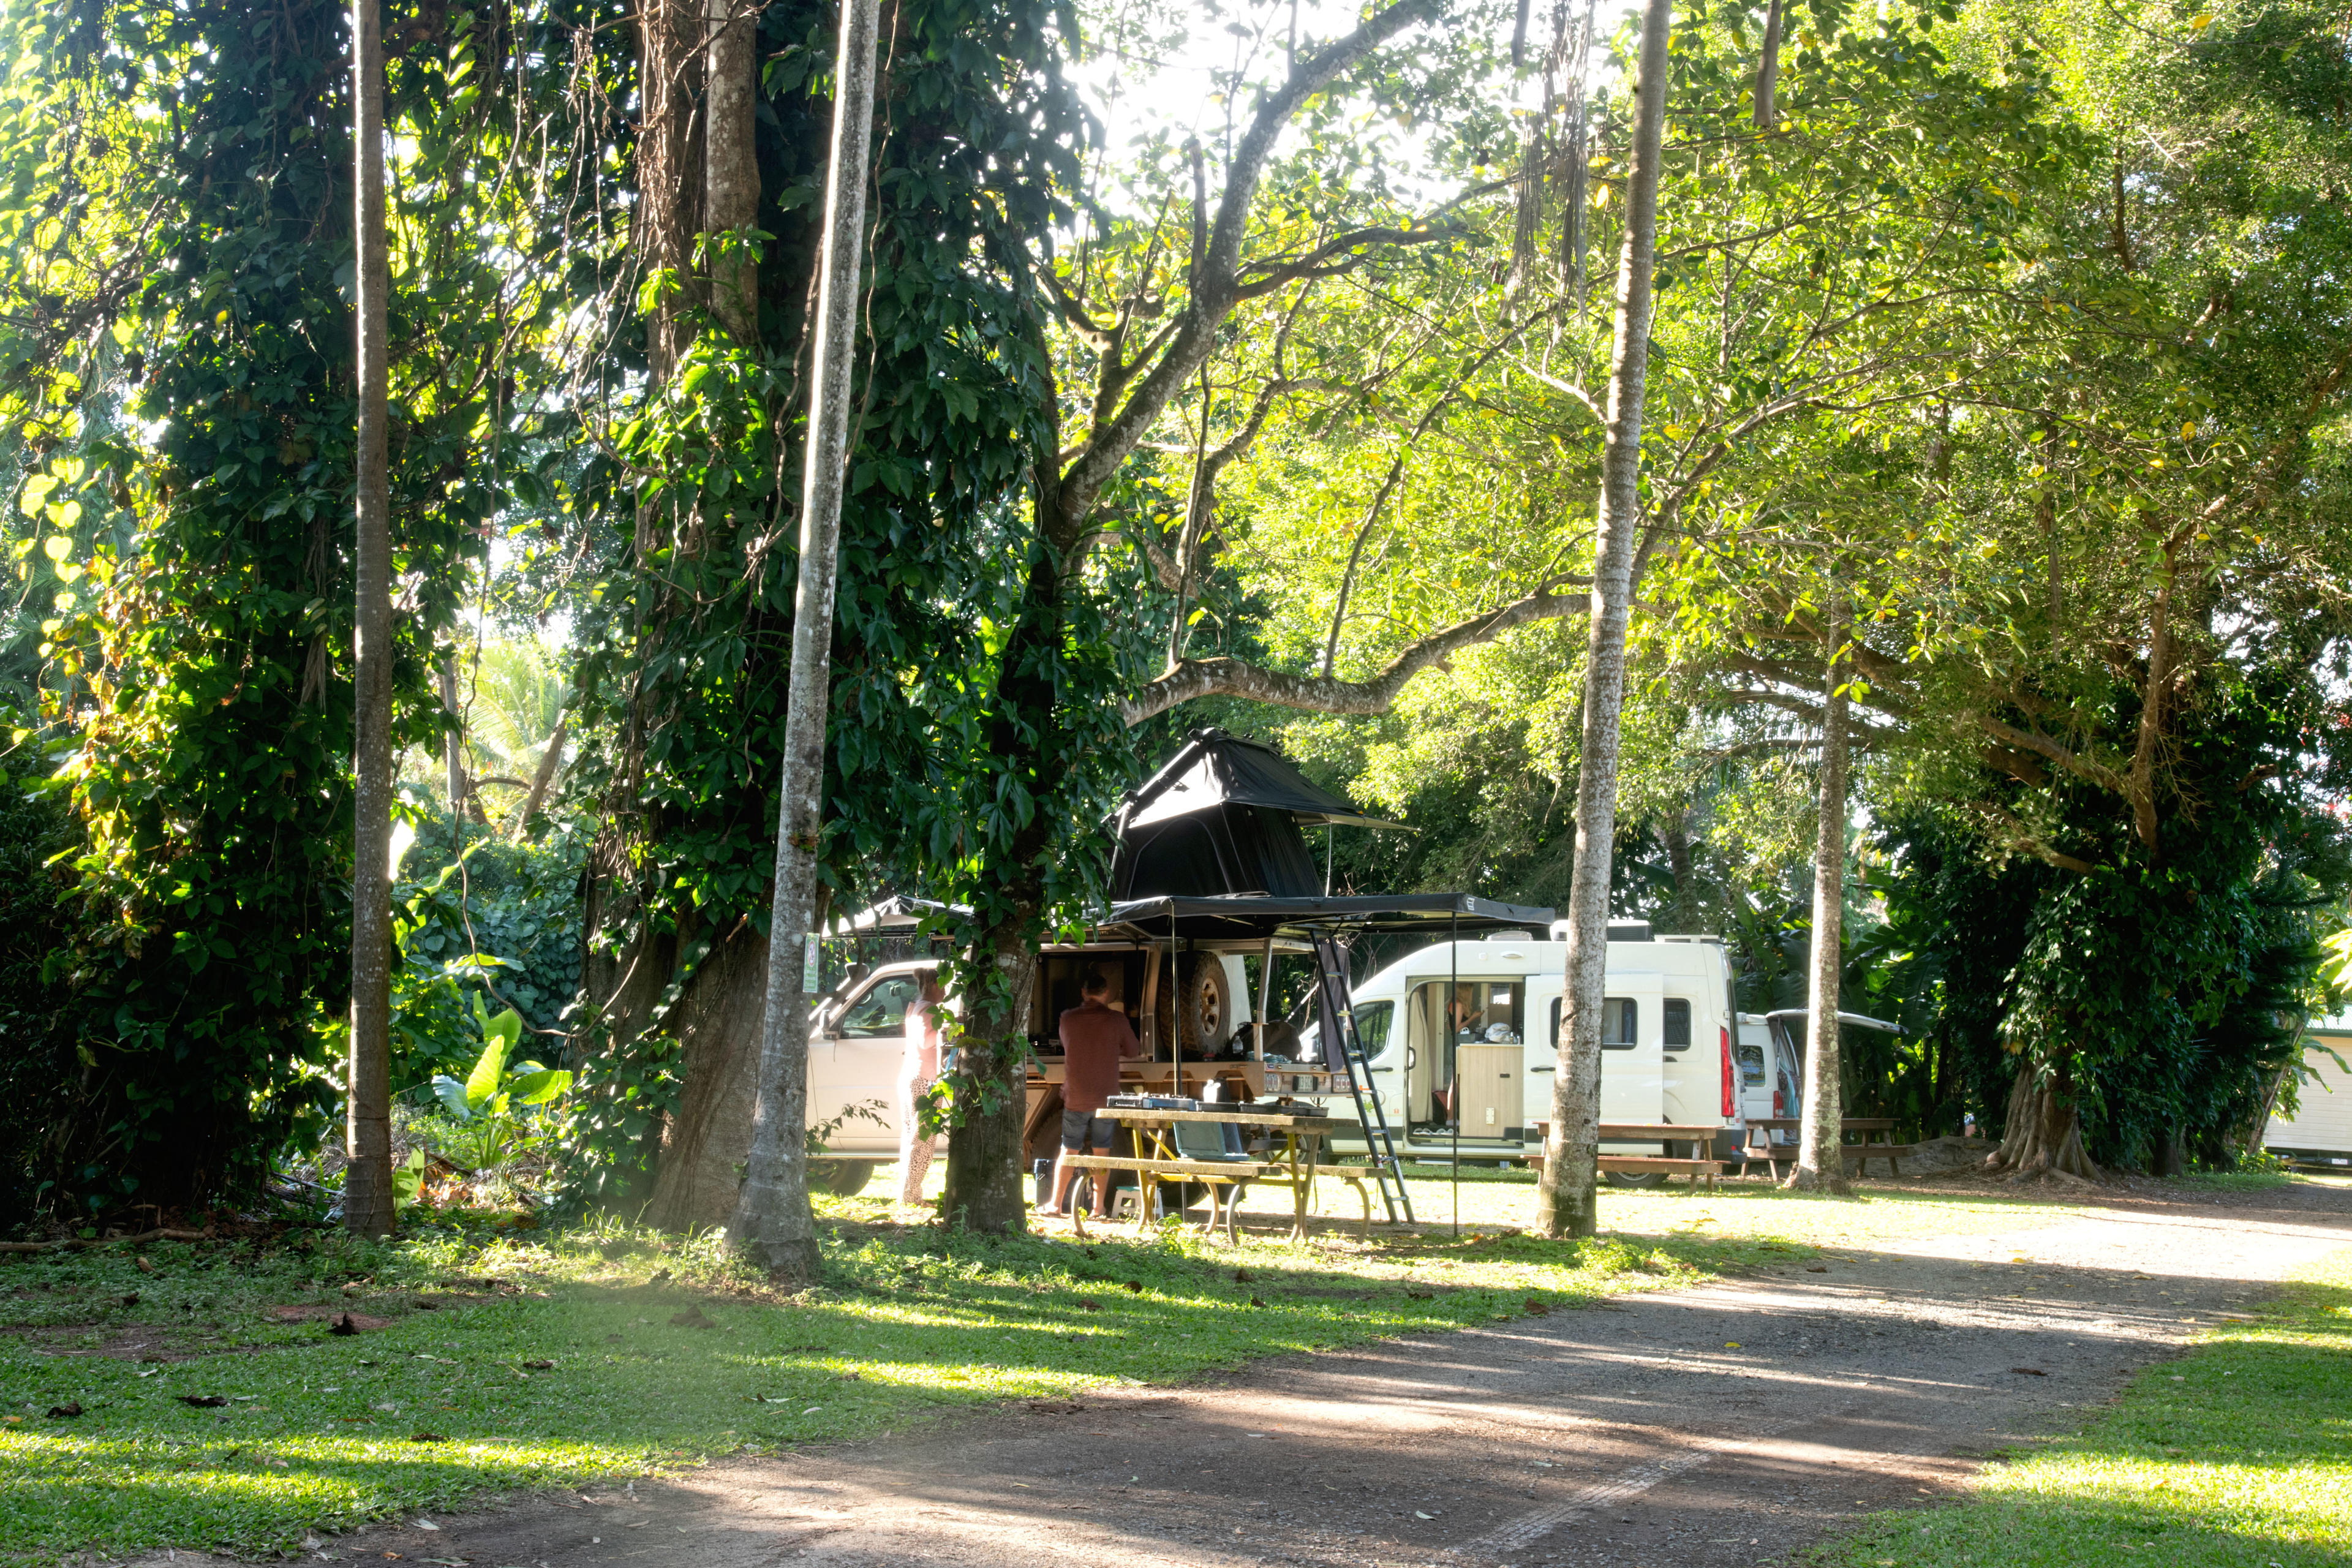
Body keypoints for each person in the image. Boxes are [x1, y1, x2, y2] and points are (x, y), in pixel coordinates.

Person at [1039, 968, 1142, 1221]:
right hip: (1106, 1097)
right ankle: (1098, 1208)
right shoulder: (1116, 1020)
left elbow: (1067, 1043)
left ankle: (1055, 1205)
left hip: (1076, 1095)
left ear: (1083, 993)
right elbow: (1134, 1050)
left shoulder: (1067, 1018)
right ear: (1106, 993)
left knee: (1069, 1149)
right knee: (1102, 1150)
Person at [897, 973, 946, 1207]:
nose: (946, 992)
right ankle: (911, 1196)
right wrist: (951, 1031)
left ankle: (909, 1193)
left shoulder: (915, 1006)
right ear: (934, 985)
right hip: (924, 1080)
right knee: (923, 1140)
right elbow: (926, 1042)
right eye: (944, 985)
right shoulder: (930, 1009)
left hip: (911, 1075)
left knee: (912, 1137)